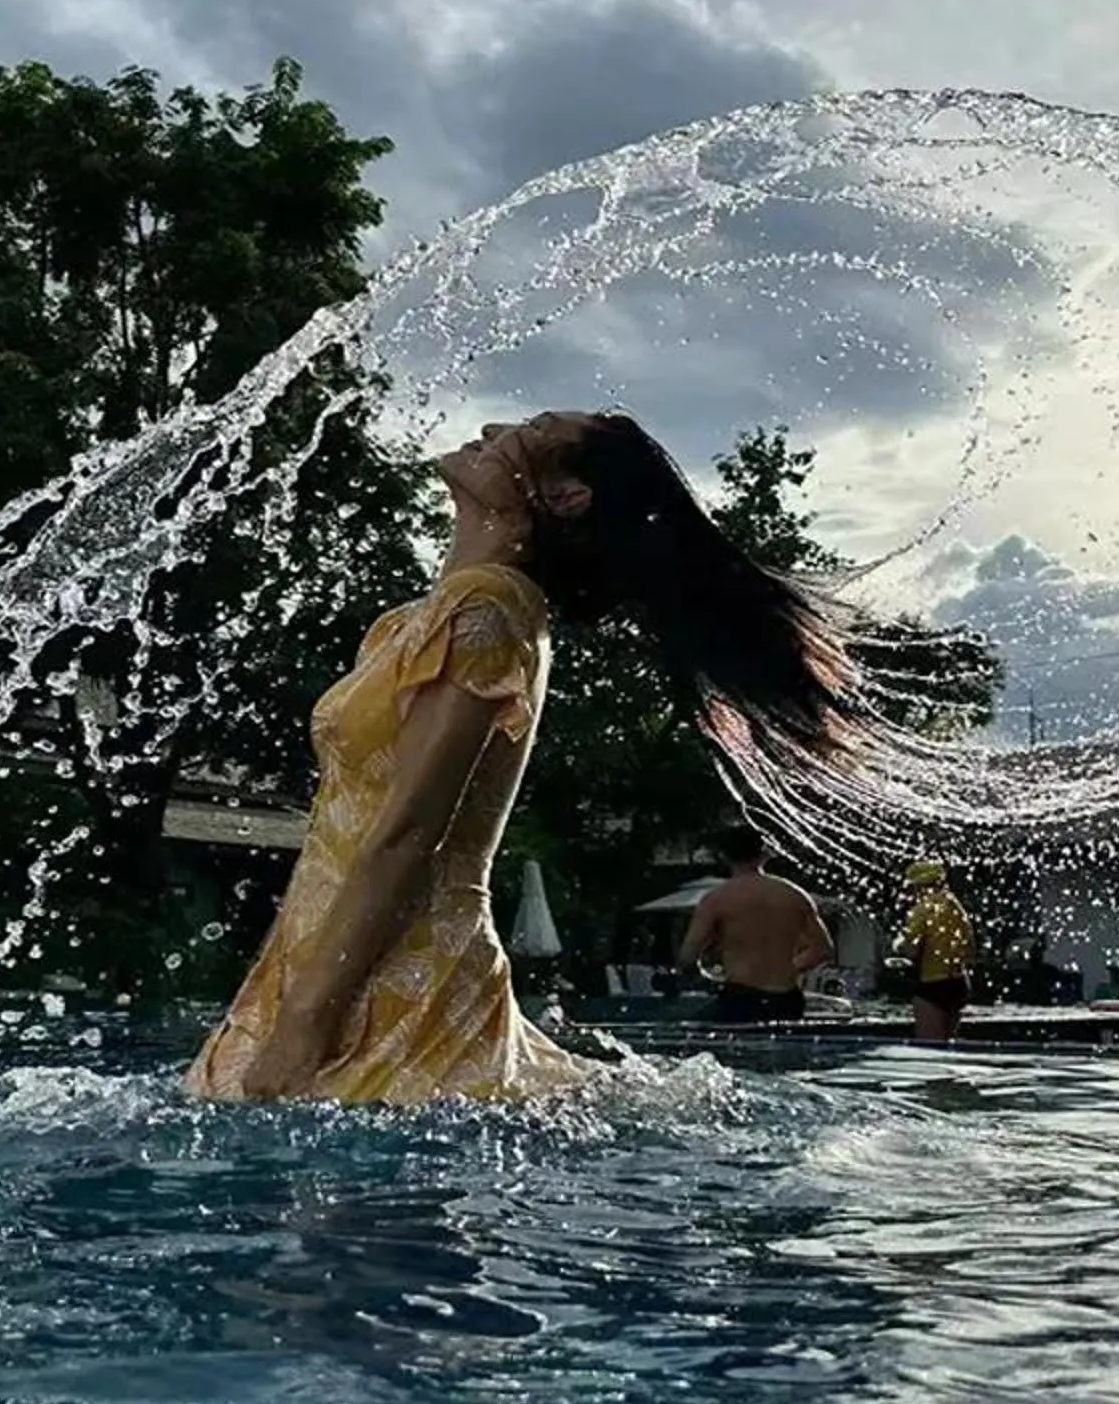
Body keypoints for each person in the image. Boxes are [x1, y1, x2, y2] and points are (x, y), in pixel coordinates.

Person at [188, 411, 874, 1103]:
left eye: (533, 429)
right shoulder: (419, 622)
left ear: (566, 496)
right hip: (338, 960)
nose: (491, 424)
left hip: (398, 985)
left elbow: (406, 835)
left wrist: (303, 1028)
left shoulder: (489, 608)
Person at [679, 826, 836, 1024]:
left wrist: (707, 979)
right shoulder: (795, 895)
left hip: (741, 998)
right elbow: (823, 950)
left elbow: (687, 957)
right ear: (764, 854)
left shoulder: (716, 899)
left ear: (724, 856)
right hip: (788, 999)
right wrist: (788, 968)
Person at [894, 861, 975, 1042]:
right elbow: (970, 950)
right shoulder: (957, 907)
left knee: (931, 1047)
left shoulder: (921, 910)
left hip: (932, 984)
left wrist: (897, 947)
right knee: (950, 1042)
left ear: (917, 886)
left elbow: (911, 950)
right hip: (959, 982)